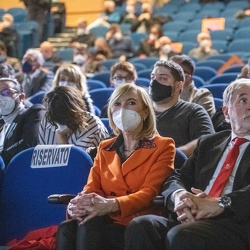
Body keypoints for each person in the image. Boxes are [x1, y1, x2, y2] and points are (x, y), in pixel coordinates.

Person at [124, 78, 250, 250]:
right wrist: (179, 196)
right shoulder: (209, 143)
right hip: (195, 217)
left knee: (183, 235)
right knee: (142, 226)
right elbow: (177, 177)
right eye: (243, 100)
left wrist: (222, 203)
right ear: (227, 112)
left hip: (242, 224)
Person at [55, 83, 175, 250]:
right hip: (104, 216)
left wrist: (111, 205)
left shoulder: (164, 146)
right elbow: (92, 187)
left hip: (136, 220)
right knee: (68, 228)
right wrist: (79, 203)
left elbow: (149, 193)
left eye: (131, 103)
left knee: (90, 226)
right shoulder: (105, 147)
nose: (122, 109)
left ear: (145, 112)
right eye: (117, 104)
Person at [150, 60, 214, 157]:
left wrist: (171, 154)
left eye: (163, 78)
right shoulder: (141, 110)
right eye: (153, 77)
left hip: (176, 168)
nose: (155, 82)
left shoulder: (193, 111)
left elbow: (207, 140)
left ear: (178, 86)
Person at [38, 86, 109, 150]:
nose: (60, 123)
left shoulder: (92, 124)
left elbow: (78, 161)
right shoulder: (47, 118)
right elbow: (41, 158)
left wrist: (60, 136)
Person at [0, 77, 45, 166]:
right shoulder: (2, 122)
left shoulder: (34, 112)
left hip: (16, 171)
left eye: (5, 92)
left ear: (21, 97)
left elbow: (27, 144)